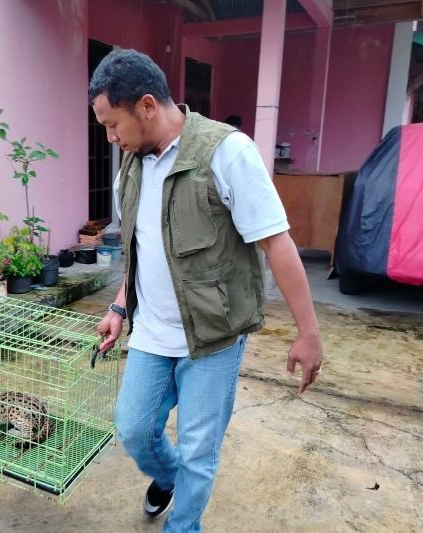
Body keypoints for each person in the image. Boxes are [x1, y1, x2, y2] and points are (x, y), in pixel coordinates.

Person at [90, 50, 323, 532]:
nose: (111, 137)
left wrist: (309, 331)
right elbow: (139, 249)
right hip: (153, 333)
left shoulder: (227, 152)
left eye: (113, 124)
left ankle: (184, 526)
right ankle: (166, 476)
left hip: (214, 337)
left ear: (148, 106)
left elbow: (277, 242)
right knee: (134, 428)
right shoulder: (130, 169)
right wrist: (118, 305)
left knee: (200, 450)